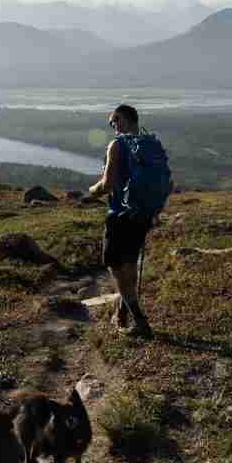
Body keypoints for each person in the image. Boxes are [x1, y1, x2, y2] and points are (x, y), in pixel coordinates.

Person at [88, 104, 155, 339]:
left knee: (116, 266)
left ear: (124, 119)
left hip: (119, 214)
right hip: (142, 214)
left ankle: (139, 319)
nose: (113, 126)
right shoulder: (148, 143)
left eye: (114, 121)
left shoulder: (117, 145)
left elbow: (106, 184)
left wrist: (92, 190)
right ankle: (121, 312)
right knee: (129, 263)